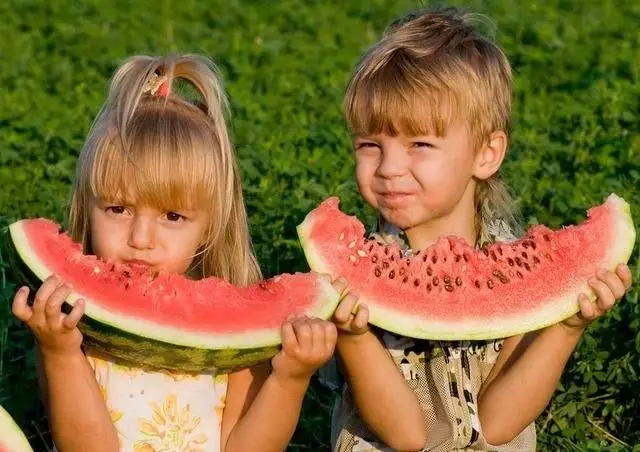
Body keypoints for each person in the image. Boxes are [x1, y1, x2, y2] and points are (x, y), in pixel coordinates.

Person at [326, 7, 632, 451]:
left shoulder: (515, 265)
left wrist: (568, 324)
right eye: (370, 145)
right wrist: (353, 336)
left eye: (420, 144)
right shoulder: (353, 276)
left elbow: (498, 423)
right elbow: (408, 436)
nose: (389, 168)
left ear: (487, 153)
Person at [12, 54, 338, 452]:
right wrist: (59, 353)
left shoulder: (236, 337)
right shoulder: (72, 332)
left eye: (172, 215)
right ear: (88, 208)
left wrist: (290, 378)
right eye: (118, 209)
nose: (141, 238)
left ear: (209, 229)